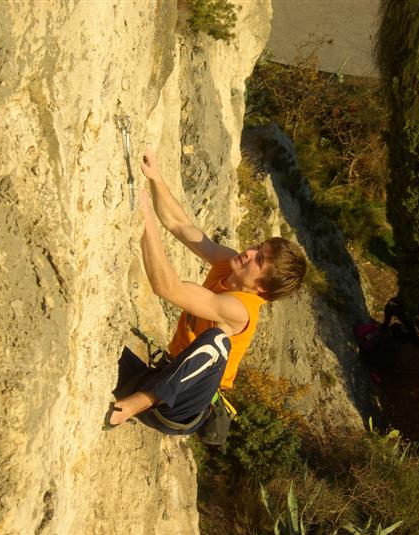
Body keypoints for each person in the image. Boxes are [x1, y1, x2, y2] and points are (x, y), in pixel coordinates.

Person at [105, 147, 307, 432]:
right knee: (101, 343)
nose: (248, 253)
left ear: (262, 289)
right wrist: (156, 179)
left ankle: (137, 403)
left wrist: (144, 216)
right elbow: (180, 224)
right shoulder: (229, 263)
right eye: (256, 248)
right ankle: (139, 394)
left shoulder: (240, 311)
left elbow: (167, 287)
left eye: (258, 259)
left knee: (217, 342)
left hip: (180, 410)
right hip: (161, 375)